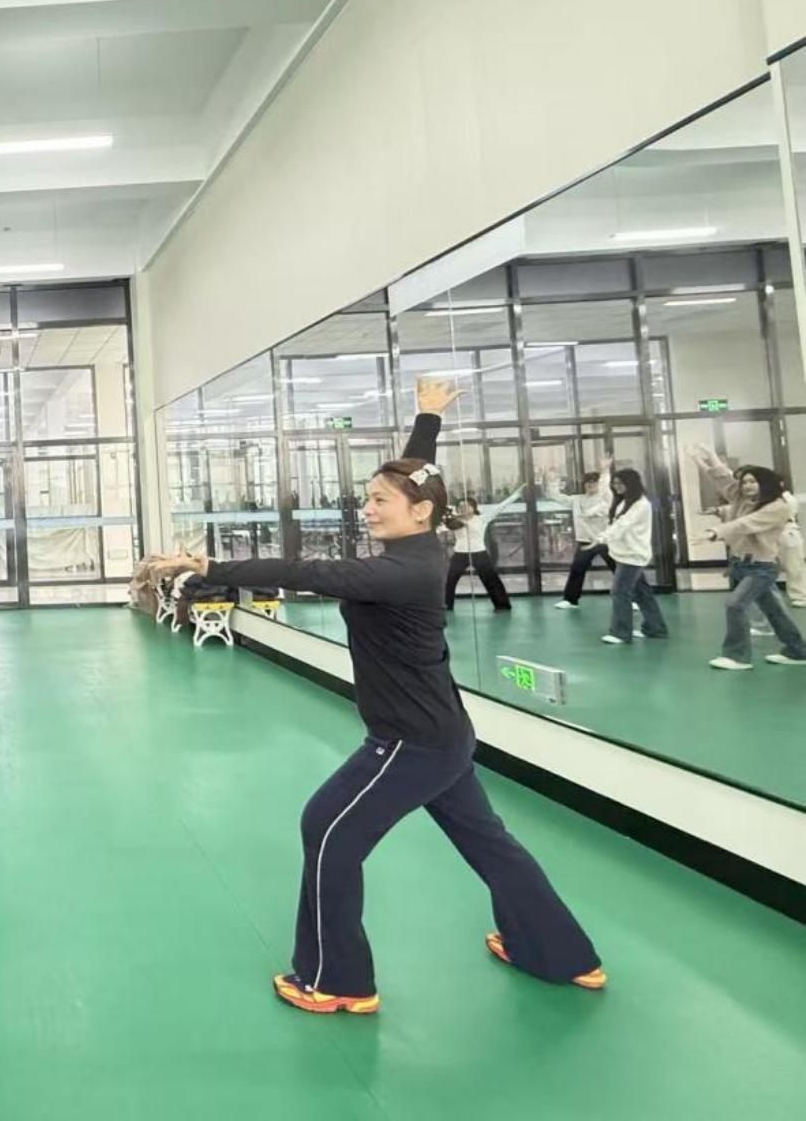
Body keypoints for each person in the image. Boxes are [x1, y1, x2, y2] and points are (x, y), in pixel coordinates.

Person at [154, 379, 604, 1015]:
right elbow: (421, 475)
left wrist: (209, 569)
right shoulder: (422, 545)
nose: (367, 509)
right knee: (488, 842)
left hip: (410, 741)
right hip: (445, 733)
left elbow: (303, 572)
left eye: (378, 501)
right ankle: (561, 954)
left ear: (419, 512)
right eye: (366, 498)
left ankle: (336, 981)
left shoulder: (395, 572)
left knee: (326, 827)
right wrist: (428, 418)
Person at [687, 445, 806, 670]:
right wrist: (708, 458)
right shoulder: (743, 499)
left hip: (761, 568)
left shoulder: (778, 507)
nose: (747, 486)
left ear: (765, 483)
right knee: (775, 612)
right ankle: (798, 651)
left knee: (735, 604)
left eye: (753, 482)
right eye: (745, 482)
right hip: (741, 564)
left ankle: (737, 657)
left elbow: (746, 524)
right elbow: (723, 480)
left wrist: (714, 532)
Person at [593, 468, 668, 645]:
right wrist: (604, 471)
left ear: (631, 484)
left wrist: (602, 537)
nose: (616, 487)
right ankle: (655, 628)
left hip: (633, 556)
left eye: (620, 483)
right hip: (625, 555)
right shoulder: (623, 501)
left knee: (619, 592)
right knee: (642, 593)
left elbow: (623, 524)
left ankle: (621, 632)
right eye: (615, 483)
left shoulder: (641, 504)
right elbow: (605, 493)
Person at [444, 486, 527, 611]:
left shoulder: (482, 518)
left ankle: (502, 605)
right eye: (460, 507)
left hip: (479, 553)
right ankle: (446, 605)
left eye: (466, 506)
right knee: (449, 580)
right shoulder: (454, 520)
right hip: (460, 554)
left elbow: (501, 506)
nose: (463, 509)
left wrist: (516, 495)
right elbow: (442, 523)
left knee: (491, 579)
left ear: (473, 508)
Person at [551, 459, 614, 610]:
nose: (590, 485)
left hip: (605, 541)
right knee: (577, 569)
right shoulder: (577, 499)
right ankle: (570, 600)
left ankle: (634, 599)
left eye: (593, 482)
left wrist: (605, 470)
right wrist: (553, 480)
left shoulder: (606, 497)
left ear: (599, 484)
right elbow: (556, 496)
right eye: (587, 483)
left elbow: (606, 488)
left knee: (620, 570)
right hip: (585, 541)